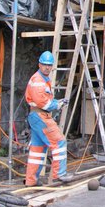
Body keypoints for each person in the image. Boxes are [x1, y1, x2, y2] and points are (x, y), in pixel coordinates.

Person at [24, 51, 72, 186]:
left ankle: (31, 181)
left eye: (49, 65)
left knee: (37, 149)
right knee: (59, 142)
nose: (47, 67)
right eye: (44, 65)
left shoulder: (41, 79)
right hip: (41, 116)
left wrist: (57, 102)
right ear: (39, 64)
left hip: (37, 116)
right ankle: (59, 175)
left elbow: (44, 100)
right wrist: (58, 104)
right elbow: (43, 102)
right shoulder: (39, 81)